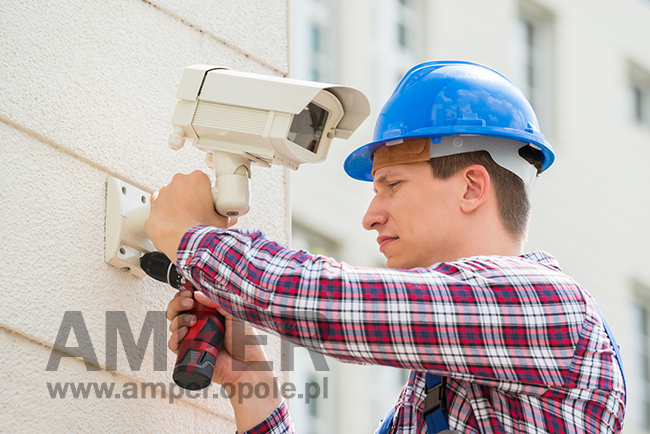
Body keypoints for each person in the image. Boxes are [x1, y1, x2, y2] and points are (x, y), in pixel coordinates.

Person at [146, 61, 626, 433]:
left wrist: (189, 235)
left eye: (391, 184)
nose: (371, 215)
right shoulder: (438, 384)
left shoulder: (545, 306)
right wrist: (251, 380)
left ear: (471, 188)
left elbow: (333, 302)